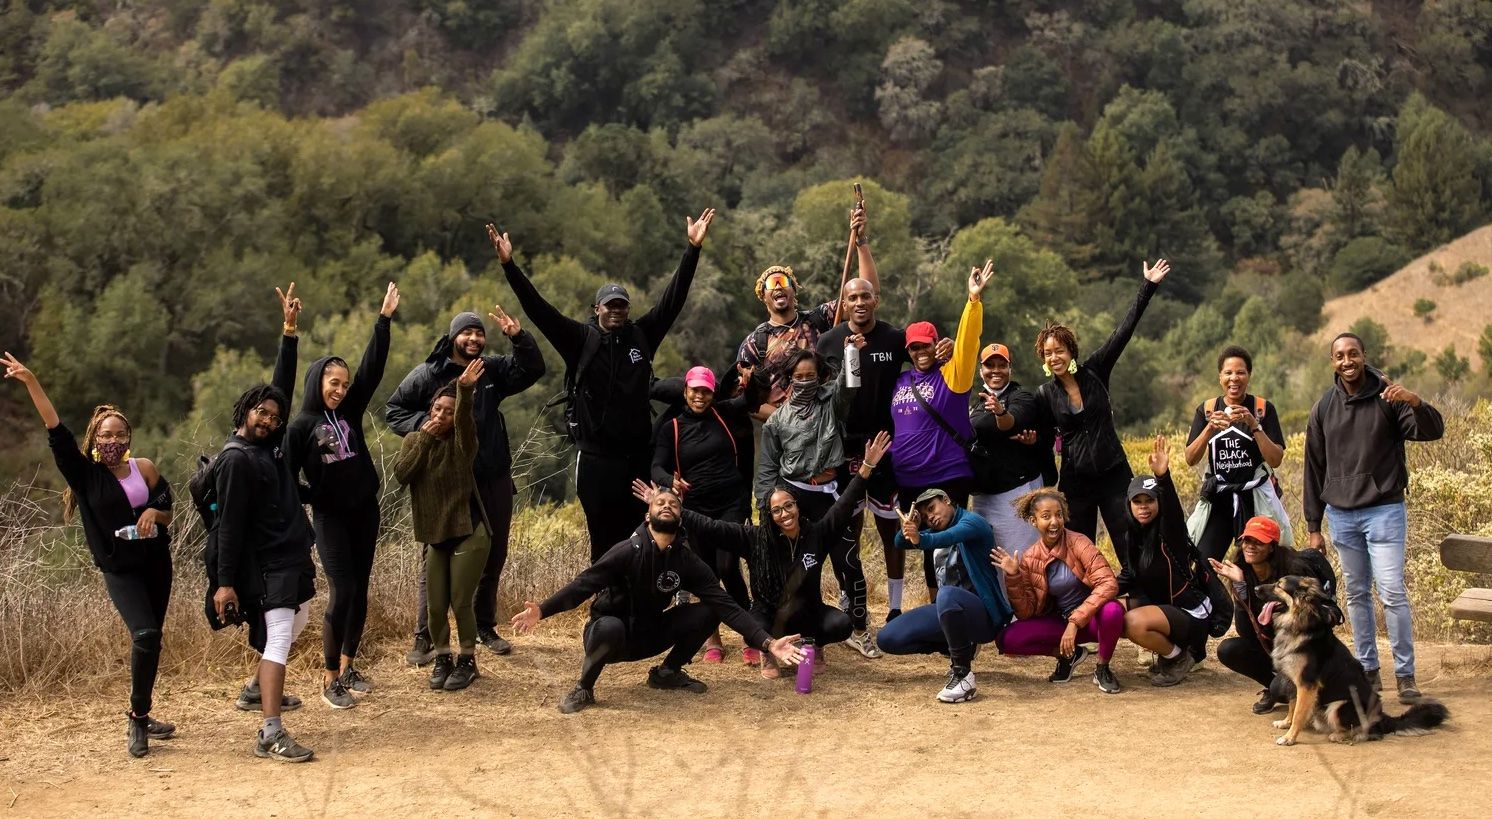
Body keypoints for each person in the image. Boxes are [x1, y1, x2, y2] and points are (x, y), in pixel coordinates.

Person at [491, 212, 715, 561]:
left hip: (637, 457)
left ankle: (642, 591)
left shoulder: (642, 335)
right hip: (596, 460)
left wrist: (692, 249)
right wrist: (509, 266)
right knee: (602, 540)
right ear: (596, 309)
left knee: (644, 535)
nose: (616, 311)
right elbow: (539, 310)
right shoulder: (580, 340)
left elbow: (673, 300)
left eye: (622, 306)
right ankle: (605, 594)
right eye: (610, 306)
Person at [4, 354, 177, 757]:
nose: (113, 441)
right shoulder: (84, 475)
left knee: (152, 641)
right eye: (105, 435)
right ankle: (137, 720)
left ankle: (141, 710)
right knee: (145, 634)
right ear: (95, 440)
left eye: (119, 434)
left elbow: (168, 506)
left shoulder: (145, 468)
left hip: (156, 564)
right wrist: (31, 381)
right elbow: (56, 430)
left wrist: (154, 513)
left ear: (129, 437)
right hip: (120, 569)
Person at [509, 488, 807, 714]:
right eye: (660, 502)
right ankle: (584, 688)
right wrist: (542, 610)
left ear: (680, 517)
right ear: (647, 515)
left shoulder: (686, 560)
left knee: (709, 611)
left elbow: (726, 605)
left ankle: (667, 673)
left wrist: (768, 643)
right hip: (609, 637)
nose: (667, 506)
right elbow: (582, 585)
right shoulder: (627, 551)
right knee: (610, 626)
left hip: (650, 632)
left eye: (673, 504)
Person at [645, 433, 893, 680]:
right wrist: (672, 509)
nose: (784, 514)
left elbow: (843, 505)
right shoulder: (754, 538)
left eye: (788, 506)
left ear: (797, 506)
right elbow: (711, 527)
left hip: (809, 613)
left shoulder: (816, 534)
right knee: (751, 629)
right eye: (776, 510)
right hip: (769, 616)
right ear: (769, 515)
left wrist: (866, 467)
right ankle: (768, 651)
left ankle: (814, 645)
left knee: (841, 624)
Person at [386, 303, 544, 664]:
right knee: (434, 557)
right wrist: (427, 427)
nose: (474, 339)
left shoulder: (491, 369)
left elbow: (533, 369)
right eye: (466, 332)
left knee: (494, 553)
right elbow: (394, 410)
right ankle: (425, 636)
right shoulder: (429, 373)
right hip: (447, 483)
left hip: (492, 476)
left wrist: (518, 336)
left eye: (479, 333)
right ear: (453, 337)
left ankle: (485, 627)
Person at [1303, 331, 1443, 703]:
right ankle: (1368, 670)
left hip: (1384, 511)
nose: (1347, 361)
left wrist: (1415, 402)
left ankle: (1406, 675)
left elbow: (1433, 431)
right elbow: (1314, 468)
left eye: (1353, 354)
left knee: (1392, 591)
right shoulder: (1324, 407)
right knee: (1357, 594)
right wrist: (1314, 526)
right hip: (1342, 515)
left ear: (1364, 355)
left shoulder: (1389, 397)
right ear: (1332, 362)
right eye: (1339, 356)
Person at [211, 284, 316, 762]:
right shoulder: (237, 459)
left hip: (291, 554)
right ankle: (270, 732)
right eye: (262, 412)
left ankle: (257, 688)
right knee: (279, 637)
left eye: (275, 416)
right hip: (268, 564)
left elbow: (282, 388)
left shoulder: (270, 445)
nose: (270, 420)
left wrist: (289, 333)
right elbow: (229, 526)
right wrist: (225, 583)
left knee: (301, 617)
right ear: (245, 411)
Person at [284, 282, 398, 709]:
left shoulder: (348, 412)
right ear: (318, 381)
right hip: (331, 519)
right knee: (343, 590)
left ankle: (349, 665)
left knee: (360, 589)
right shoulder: (300, 426)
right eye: (334, 383)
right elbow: (284, 478)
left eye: (345, 384)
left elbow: (373, 370)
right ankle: (329, 677)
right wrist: (314, 496)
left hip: (364, 512)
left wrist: (383, 321)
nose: (341, 390)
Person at [1033, 259, 1170, 561]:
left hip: (1114, 474)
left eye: (1059, 351)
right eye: (1048, 353)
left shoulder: (1096, 370)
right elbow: (1040, 439)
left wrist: (1148, 286)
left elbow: (1123, 332)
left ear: (1071, 352)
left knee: (1131, 543)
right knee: (1080, 554)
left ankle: (1139, 589)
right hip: (1076, 482)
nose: (1054, 358)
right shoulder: (1044, 394)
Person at [754, 347, 878, 657]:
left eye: (811, 376)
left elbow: (849, 386)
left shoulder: (832, 403)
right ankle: (797, 635)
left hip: (830, 496)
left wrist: (850, 352)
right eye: (799, 376)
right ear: (789, 379)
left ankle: (859, 630)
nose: (805, 381)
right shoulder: (776, 422)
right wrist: (765, 508)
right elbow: (766, 470)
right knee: (798, 570)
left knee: (849, 562)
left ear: (820, 377)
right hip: (795, 497)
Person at [890, 262, 993, 605]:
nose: (921, 353)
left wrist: (972, 301)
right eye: (914, 348)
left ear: (937, 345)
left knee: (950, 544)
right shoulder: (901, 380)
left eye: (926, 346)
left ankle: (964, 607)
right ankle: (939, 610)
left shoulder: (952, 375)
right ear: (908, 352)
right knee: (924, 546)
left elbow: (968, 344)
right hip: (908, 479)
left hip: (946, 474)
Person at [651, 365, 764, 664]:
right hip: (696, 509)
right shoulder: (672, 428)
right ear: (685, 391)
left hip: (730, 503)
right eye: (695, 390)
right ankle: (712, 638)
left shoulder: (724, 413)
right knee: (707, 573)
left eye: (706, 391)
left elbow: (749, 401)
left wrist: (750, 381)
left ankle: (751, 636)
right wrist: (669, 481)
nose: (699, 396)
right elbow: (657, 466)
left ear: (713, 393)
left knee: (728, 567)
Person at [393, 361, 490, 692]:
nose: (441, 415)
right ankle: (443, 657)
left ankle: (468, 661)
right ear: (429, 409)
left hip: (469, 530)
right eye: (437, 409)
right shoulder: (414, 440)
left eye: (448, 411)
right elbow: (403, 475)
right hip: (436, 534)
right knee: (435, 607)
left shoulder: (463, 443)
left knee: (460, 602)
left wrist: (464, 390)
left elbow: (464, 421)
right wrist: (423, 439)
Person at [738, 207, 878, 419]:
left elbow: (867, 292)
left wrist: (861, 241)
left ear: (794, 290)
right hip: (786, 430)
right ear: (763, 296)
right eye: (771, 284)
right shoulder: (755, 343)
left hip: (828, 421)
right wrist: (784, 420)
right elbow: (745, 399)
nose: (778, 287)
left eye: (783, 282)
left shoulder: (819, 319)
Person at [878, 488, 1010, 703]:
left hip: (982, 615)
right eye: (925, 516)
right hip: (949, 610)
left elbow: (946, 538)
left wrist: (919, 537)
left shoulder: (972, 522)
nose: (930, 517)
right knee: (887, 639)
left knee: (946, 594)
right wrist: (909, 528)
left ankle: (963, 676)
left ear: (947, 500)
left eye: (932, 508)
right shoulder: (934, 531)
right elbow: (899, 543)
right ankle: (959, 645)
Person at [993, 487, 1125, 694]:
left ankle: (1102, 667)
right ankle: (1068, 655)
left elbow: (1108, 583)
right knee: (1008, 639)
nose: (1054, 522)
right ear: (1033, 521)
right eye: (1046, 516)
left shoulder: (1079, 542)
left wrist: (1075, 622)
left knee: (1113, 611)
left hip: (1091, 619)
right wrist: (1013, 576)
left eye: (1058, 515)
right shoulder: (1030, 558)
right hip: (1061, 622)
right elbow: (1026, 613)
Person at [1209, 516, 1342, 714]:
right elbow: (1246, 632)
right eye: (1247, 540)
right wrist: (1240, 585)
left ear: (1272, 547)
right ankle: (1276, 687)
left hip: (1303, 644)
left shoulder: (1295, 570)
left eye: (1258, 542)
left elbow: (1320, 613)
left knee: (1282, 688)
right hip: (1273, 642)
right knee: (1228, 650)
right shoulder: (1243, 571)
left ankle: (1300, 690)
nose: (1250, 546)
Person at [1119, 436, 1212, 687]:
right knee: (1112, 610)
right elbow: (1128, 576)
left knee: (1132, 622)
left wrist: (1163, 477)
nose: (1143, 507)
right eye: (1137, 502)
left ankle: (1179, 658)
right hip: (1166, 609)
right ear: (1129, 505)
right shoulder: (1133, 536)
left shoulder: (1170, 531)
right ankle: (1170, 653)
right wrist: (1095, 594)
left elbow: (1172, 511)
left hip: (1191, 613)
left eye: (1150, 500)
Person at [1183, 345, 1288, 562]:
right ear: (1220, 377)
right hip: (1219, 500)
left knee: (1259, 563)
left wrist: (1254, 425)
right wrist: (1209, 428)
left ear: (1249, 375)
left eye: (1240, 372)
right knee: (1204, 564)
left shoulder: (1262, 409)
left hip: (1254, 499)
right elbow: (1191, 458)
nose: (1234, 378)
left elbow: (1275, 459)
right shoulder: (1207, 410)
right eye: (1228, 373)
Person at [967, 342, 1050, 553]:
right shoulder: (976, 403)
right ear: (981, 371)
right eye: (990, 365)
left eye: (1002, 365)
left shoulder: (1021, 396)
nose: (996, 370)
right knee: (991, 558)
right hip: (983, 495)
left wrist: (1000, 413)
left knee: (1021, 557)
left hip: (1016, 491)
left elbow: (1011, 423)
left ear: (1010, 369)